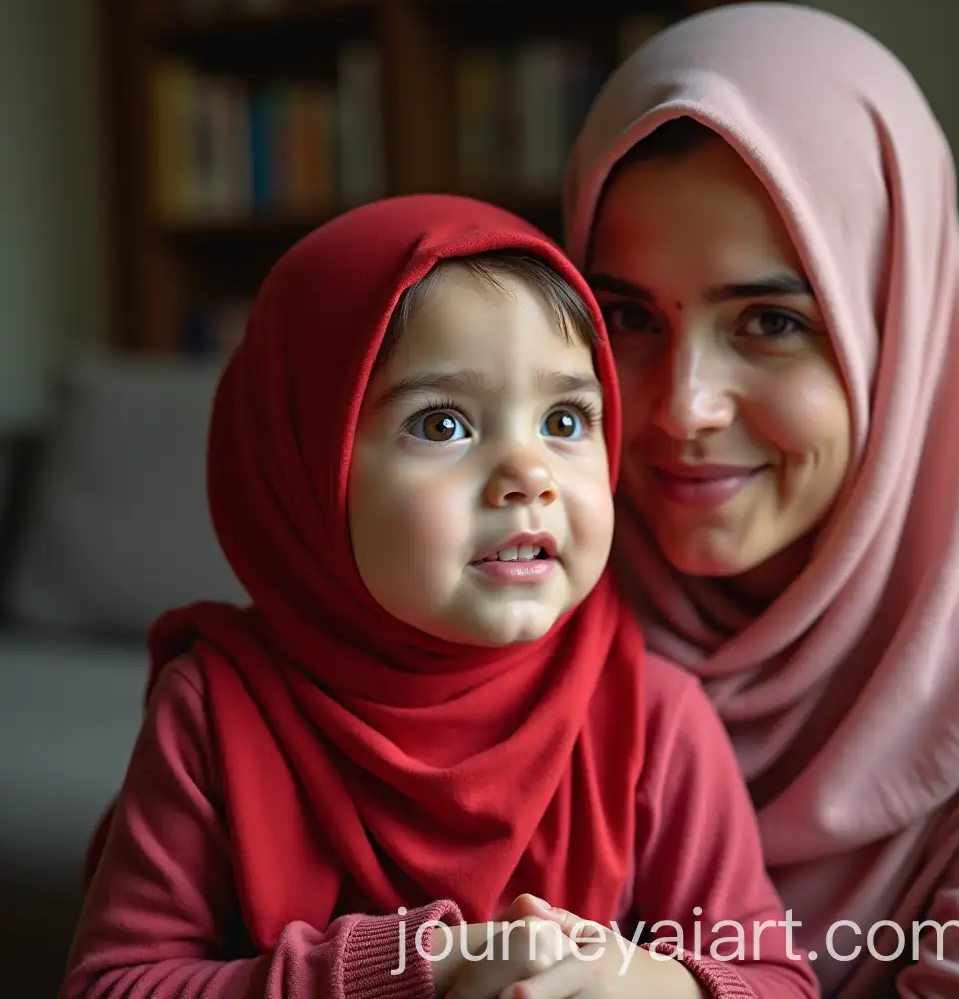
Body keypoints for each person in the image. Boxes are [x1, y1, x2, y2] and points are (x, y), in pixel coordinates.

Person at [59, 195, 820, 999]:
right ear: (305, 470)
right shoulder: (213, 712)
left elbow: (775, 982)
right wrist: (405, 973)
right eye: (444, 425)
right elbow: (112, 984)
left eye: (565, 418)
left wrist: (644, 982)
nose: (529, 475)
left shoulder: (652, 720)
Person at [557, 0, 959, 999]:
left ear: (892, 332)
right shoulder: (525, 581)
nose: (683, 408)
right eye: (626, 316)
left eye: (768, 320)